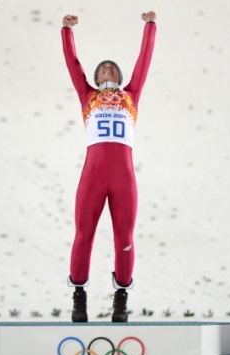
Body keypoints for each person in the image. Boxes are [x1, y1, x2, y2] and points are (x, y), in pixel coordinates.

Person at [61, 11, 156, 323]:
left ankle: (121, 297)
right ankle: (79, 296)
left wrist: (150, 26)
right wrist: (66, 31)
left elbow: (144, 59)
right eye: (101, 68)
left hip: (123, 176)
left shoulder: (131, 94)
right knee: (83, 233)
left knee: (125, 237)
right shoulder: (87, 95)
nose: (106, 69)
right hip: (92, 174)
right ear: (95, 76)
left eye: (111, 67)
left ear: (119, 73)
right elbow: (73, 66)